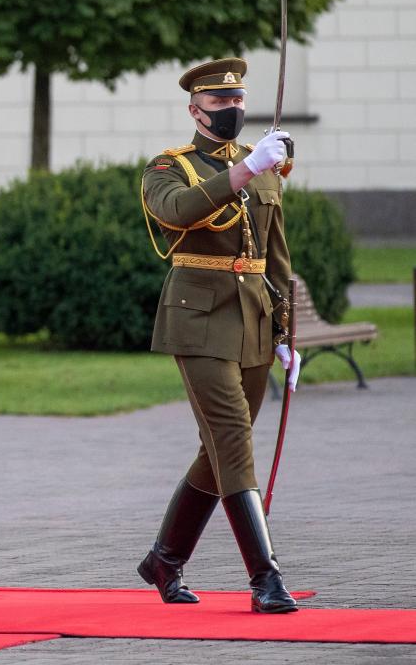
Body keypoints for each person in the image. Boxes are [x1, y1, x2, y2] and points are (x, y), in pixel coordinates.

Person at [138, 58, 303, 614]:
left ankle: (164, 558)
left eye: (237, 103)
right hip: (199, 316)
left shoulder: (262, 168)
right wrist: (241, 170)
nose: (231, 111)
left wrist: (285, 331)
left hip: (253, 317)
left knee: (220, 450)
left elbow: (274, 255)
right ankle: (266, 577)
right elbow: (177, 211)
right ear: (195, 110)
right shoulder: (169, 167)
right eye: (219, 104)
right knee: (233, 439)